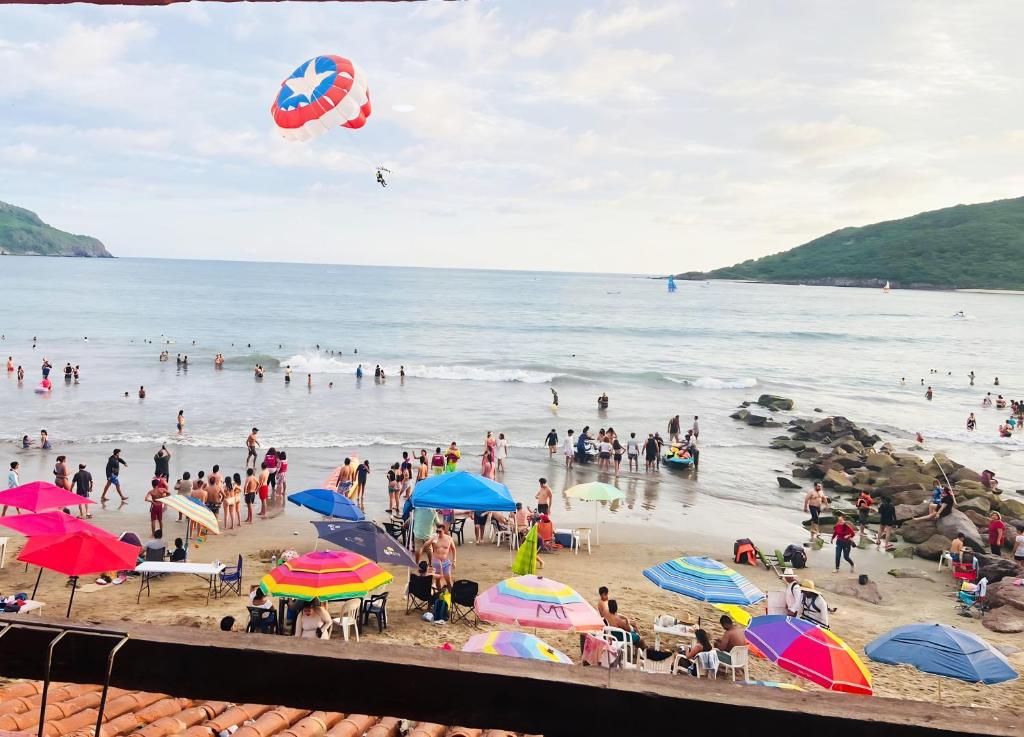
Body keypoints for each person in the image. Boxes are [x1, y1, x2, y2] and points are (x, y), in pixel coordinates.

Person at [419, 523, 456, 589]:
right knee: (438, 579)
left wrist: (454, 560)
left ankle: (451, 595)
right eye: (437, 531)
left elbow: (453, 549)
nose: (438, 533)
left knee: (448, 579)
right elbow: (426, 544)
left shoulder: (449, 538)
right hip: (436, 562)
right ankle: (439, 593)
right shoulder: (434, 538)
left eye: (440, 531)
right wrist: (423, 547)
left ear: (444, 531)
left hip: (445, 562)